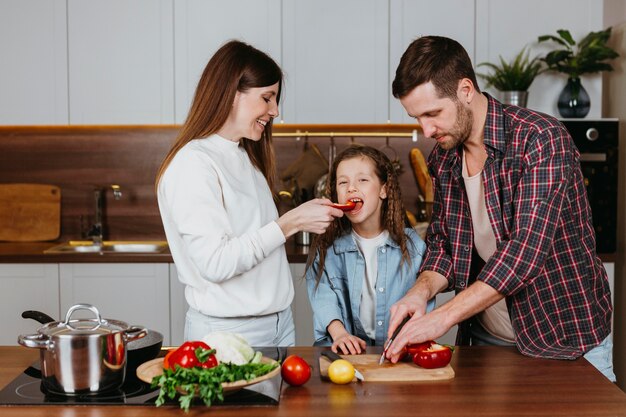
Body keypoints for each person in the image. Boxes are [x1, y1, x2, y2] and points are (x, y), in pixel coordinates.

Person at [384, 35, 615, 381]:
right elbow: (445, 246)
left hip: (565, 340)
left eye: (432, 113)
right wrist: (420, 293)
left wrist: (442, 317)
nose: (426, 129)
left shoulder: (541, 139)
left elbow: (524, 253)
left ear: (465, 90)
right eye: (417, 117)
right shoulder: (445, 160)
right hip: (485, 342)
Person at [155, 40, 343, 347]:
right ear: (231, 94)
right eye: (267, 98)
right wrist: (289, 224)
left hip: (279, 324)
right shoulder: (193, 164)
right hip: (229, 334)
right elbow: (216, 263)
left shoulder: (244, 156)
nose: (275, 111)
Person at [306, 145, 435, 354]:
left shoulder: (415, 248)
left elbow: (421, 305)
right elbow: (323, 298)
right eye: (343, 182)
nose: (351, 188)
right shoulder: (325, 248)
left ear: (383, 190)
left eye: (362, 180)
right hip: (344, 353)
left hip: (401, 353)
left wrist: (407, 338)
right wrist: (340, 334)